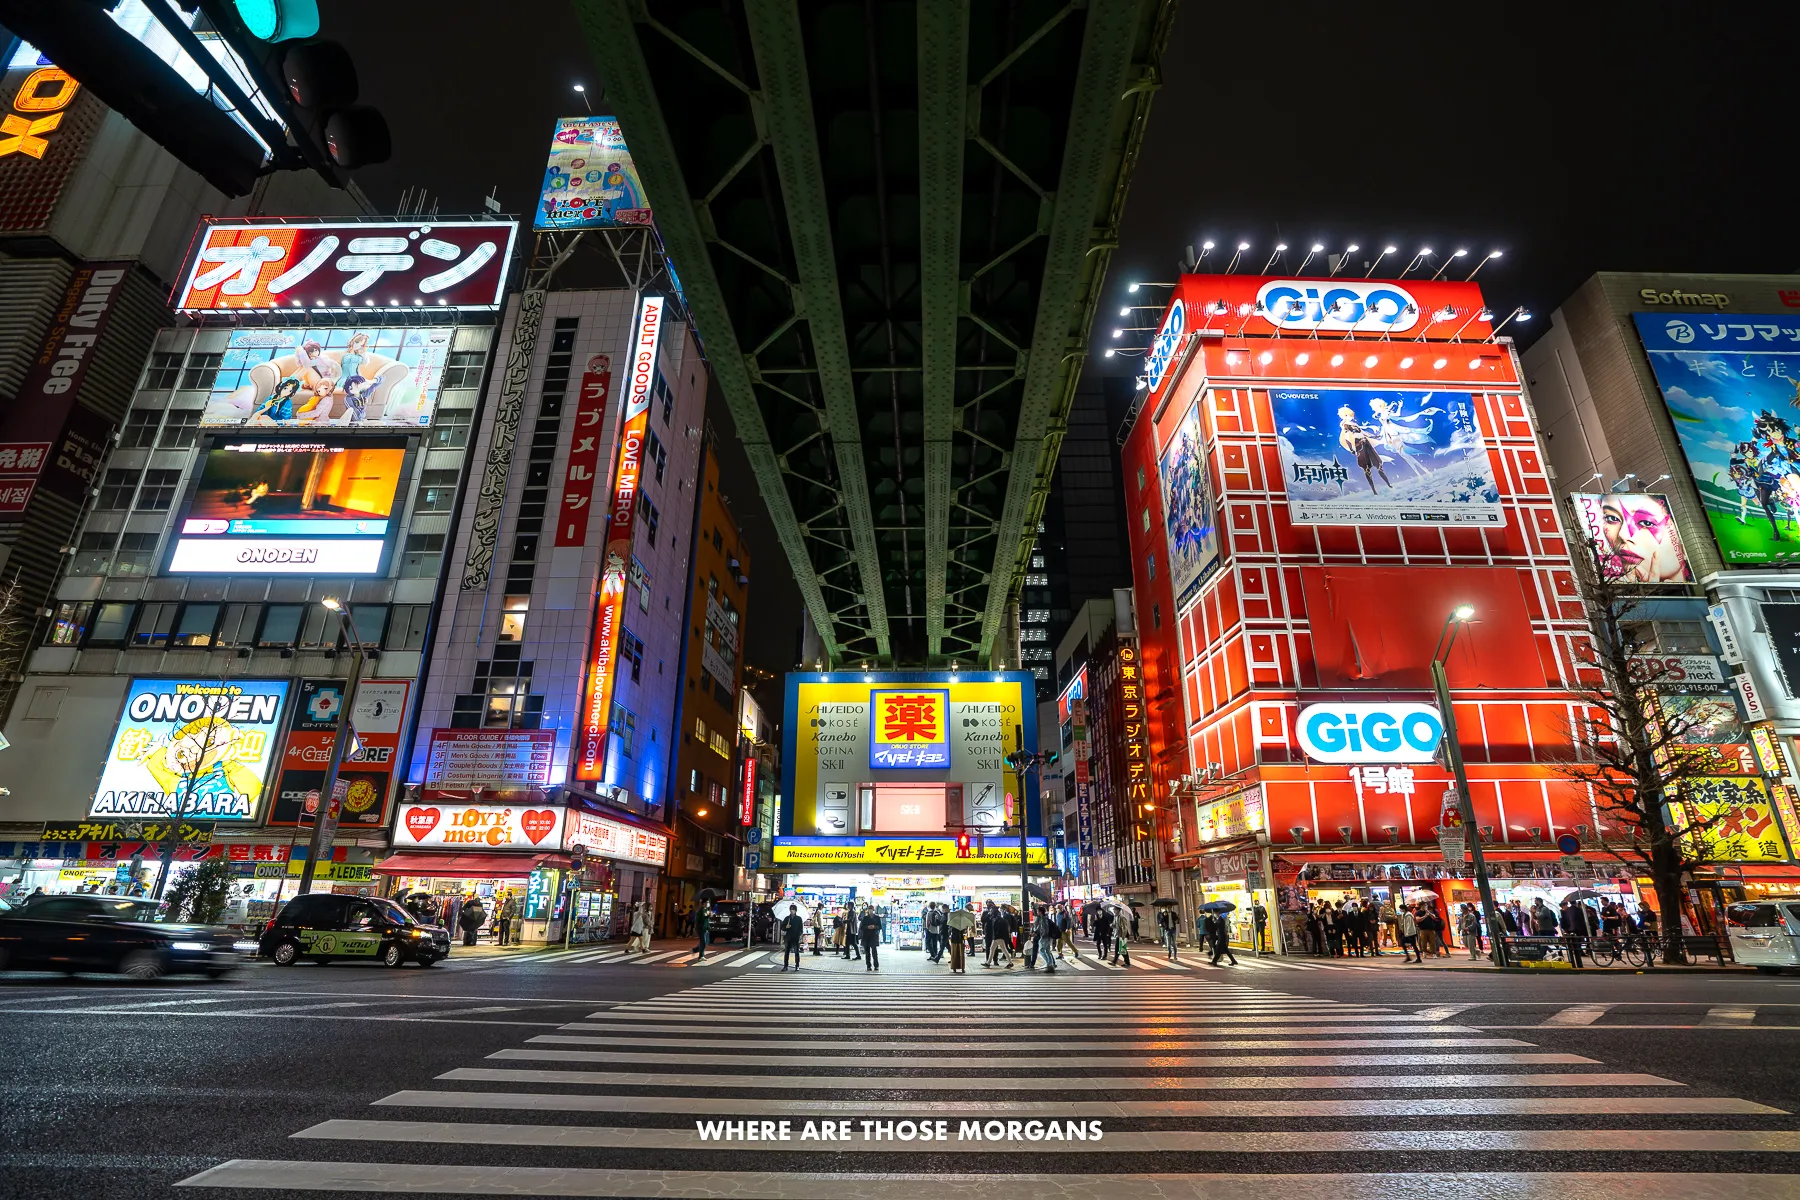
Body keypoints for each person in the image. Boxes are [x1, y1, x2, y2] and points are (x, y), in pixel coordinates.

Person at [779, 903, 805, 971]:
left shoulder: (799, 919)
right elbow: (782, 927)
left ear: (795, 911)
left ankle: (797, 965)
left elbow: (801, 929)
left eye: (793, 910)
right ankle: (785, 966)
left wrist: (800, 935)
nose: (792, 911)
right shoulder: (787, 918)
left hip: (796, 937)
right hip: (788, 937)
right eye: (791, 910)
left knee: (796, 952)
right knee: (786, 952)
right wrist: (785, 927)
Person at [1034, 905, 1059, 973]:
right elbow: (1040, 928)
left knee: (1041, 950)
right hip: (1048, 937)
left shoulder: (1043, 919)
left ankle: (1049, 964)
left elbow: (1044, 929)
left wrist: (1043, 936)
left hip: (1045, 937)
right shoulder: (1044, 918)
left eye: (1038, 911)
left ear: (1040, 912)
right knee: (1047, 951)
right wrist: (1036, 931)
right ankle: (1050, 965)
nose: (1037, 912)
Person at [860, 905, 882, 971]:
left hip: (873, 936)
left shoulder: (877, 918)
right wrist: (867, 927)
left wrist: (874, 927)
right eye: (869, 909)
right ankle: (868, 966)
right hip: (866, 936)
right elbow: (862, 927)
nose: (870, 911)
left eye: (871, 909)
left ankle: (876, 965)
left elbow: (879, 927)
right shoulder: (865, 918)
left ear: (873, 910)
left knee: (874, 952)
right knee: (867, 952)